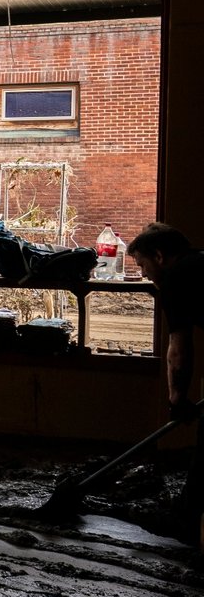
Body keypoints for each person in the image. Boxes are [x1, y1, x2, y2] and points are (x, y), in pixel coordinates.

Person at [127, 222, 203, 542]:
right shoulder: (199, 261)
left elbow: (179, 347)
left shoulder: (175, 277)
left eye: (143, 265)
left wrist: (176, 398)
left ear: (159, 256)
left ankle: (187, 517)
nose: (144, 274)